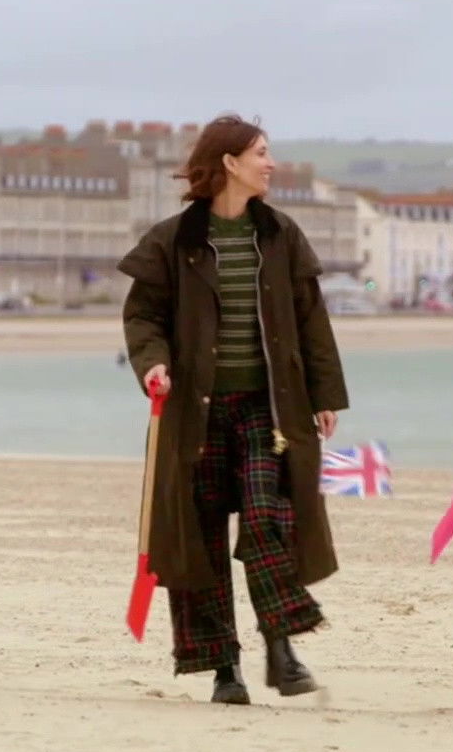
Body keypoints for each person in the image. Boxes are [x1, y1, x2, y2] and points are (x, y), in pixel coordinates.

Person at [119, 114, 349, 705]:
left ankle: (280, 644)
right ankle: (224, 666)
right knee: (198, 538)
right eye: (262, 154)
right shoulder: (172, 240)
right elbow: (143, 315)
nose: (271, 164)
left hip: (268, 410)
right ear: (229, 163)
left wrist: (325, 397)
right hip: (193, 413)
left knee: (270, 519)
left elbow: (311, 321)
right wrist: (152, 362)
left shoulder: (280, 234)